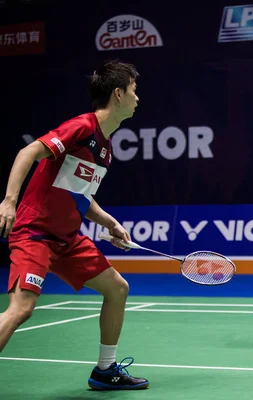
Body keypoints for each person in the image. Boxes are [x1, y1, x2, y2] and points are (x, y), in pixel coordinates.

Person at [0, 60, 149, 389]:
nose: (138, 99)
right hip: (36, 233)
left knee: (117, 288)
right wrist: (9, 201)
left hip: (67, 239)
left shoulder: (106, 150)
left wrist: (110, 223)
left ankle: (105, 370)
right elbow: (28, 152)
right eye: (134, 91)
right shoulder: (81, 127)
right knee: (21, 308)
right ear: (118, 93)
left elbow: (81, 196)